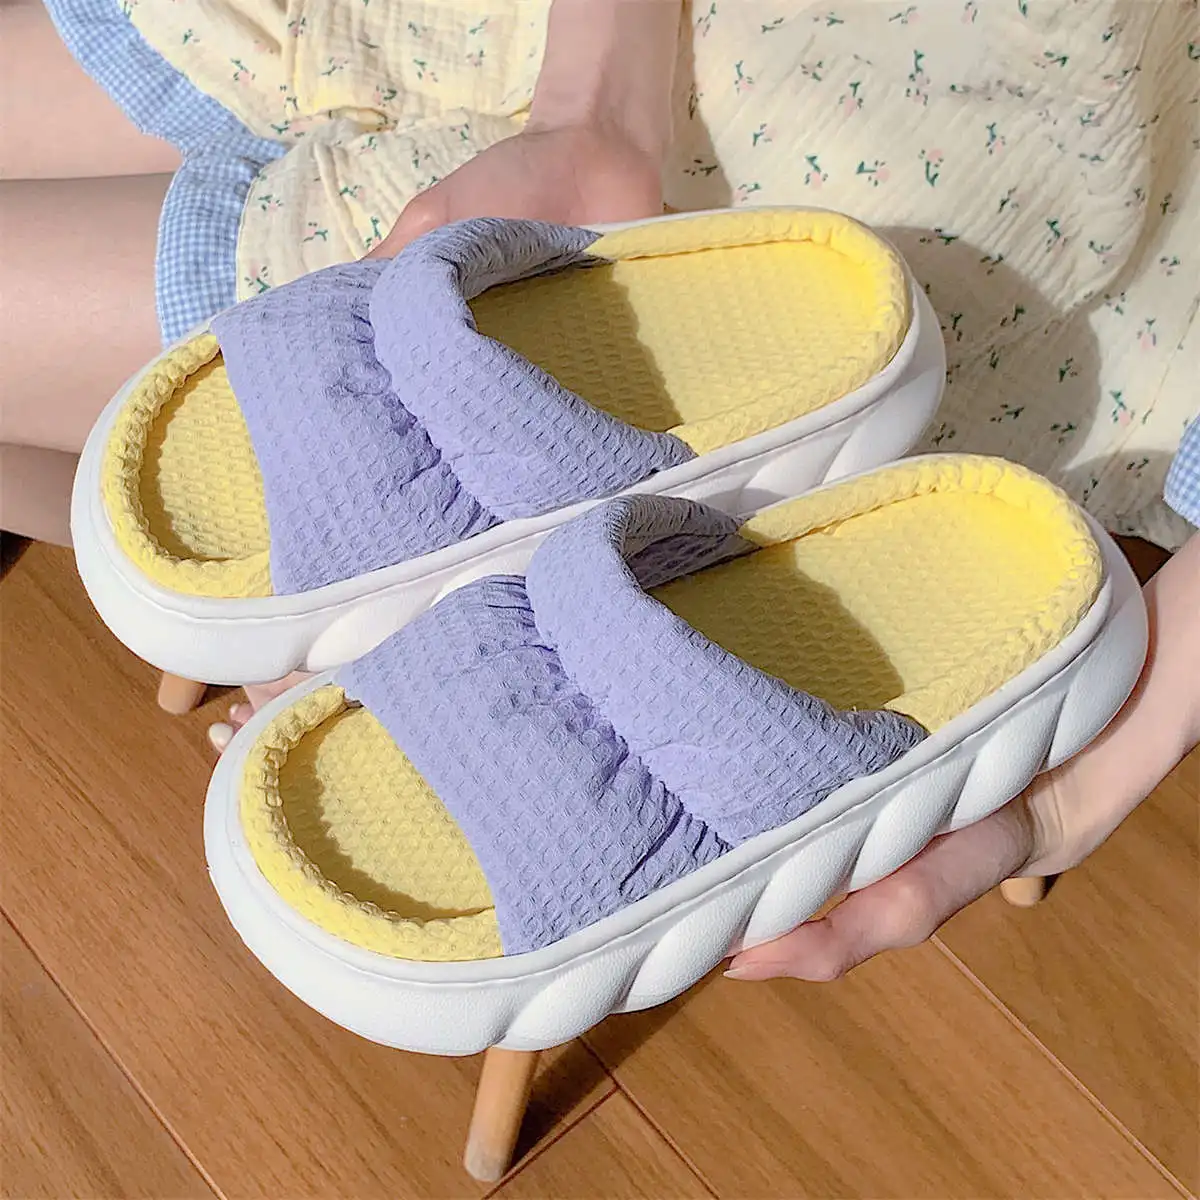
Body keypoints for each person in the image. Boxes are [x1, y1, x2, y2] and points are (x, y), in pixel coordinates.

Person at [2, 0, 1196, 972]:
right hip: (615, 59)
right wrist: (598, 105)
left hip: (980, 201)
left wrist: (1076, 790)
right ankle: (340, 614)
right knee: (151, 504)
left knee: (154, 496)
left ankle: (346, 607)